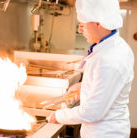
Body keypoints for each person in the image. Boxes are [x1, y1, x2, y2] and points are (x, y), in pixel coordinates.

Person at [48, 0, 134, 137]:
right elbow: (106, 84)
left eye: (82, 25)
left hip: (105, 133)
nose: (79, 30)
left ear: (98, 23)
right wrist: (84, 86)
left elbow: (92, 112)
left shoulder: (110, 59)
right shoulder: (115, 45)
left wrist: (58, 116)